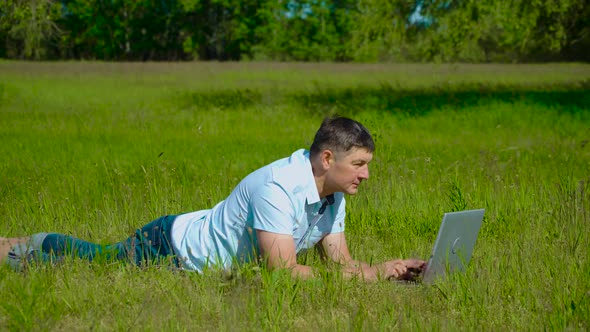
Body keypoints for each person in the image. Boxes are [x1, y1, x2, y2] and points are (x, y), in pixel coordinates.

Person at [0, 116, 425, 281]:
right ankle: (27, 245)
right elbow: (283, 272)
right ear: (328, 158)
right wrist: (368, 277)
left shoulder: (334, 191)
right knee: (97, 261)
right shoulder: (278, 186)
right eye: (359, 164)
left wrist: (388, 270)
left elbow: (340, 263)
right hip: (170, 246)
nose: (366, 174)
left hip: (196, 255)